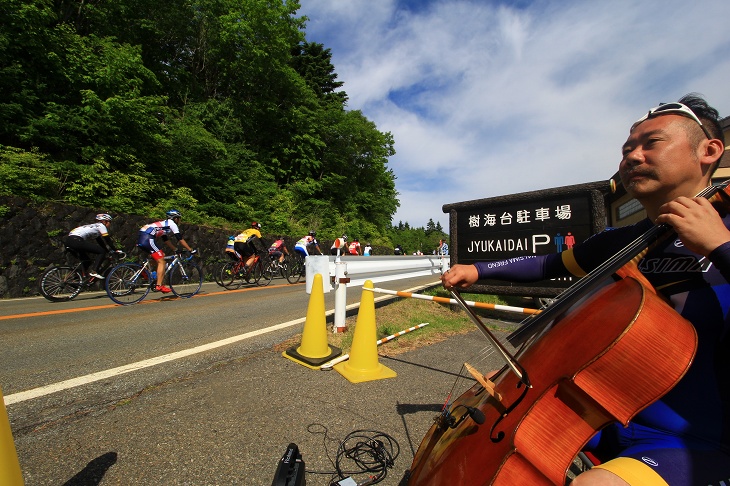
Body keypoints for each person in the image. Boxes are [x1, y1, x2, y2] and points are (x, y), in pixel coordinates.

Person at [442, 94, 729, 485]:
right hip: (596, 413)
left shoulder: (724, 227)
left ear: (709, 151)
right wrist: (477, 269)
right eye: (627, 149)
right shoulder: (622, 241)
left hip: (691, 438)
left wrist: (719, 246)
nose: (632, 156)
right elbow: (548, 263)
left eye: (651, 143)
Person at [137, 209, 195, 293]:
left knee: (162, 255)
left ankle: (144, 269)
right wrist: (190, 249)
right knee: (162, 262)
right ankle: (159, 285)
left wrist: (175, 249)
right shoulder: (172, 224)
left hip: (143, 236)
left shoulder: (165, 225)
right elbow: (180, 239)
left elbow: (166, 240)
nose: (179, 220)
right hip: (148, 237)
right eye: (179, 218)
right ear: (175, 218)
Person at [64, 213, 119, 279]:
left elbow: (100, 242)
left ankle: (77, 279)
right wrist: (115, 250)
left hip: (69, 241)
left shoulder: (93, 227)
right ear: (105, 221)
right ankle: (94, 271)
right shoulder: (101, 226)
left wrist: (108, 251)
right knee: (101, 251)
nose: (110, 224)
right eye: (110, 222)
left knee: (87, 261)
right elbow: (107, 240)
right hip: (76, 240)